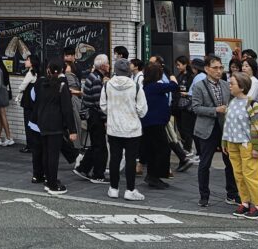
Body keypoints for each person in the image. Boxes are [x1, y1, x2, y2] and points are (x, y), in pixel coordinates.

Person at [192, 54, 240, 207]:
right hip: (207, 129)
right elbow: (195, 108)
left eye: (220, 67)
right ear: (207, 69)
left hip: (225, 129)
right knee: (205, 164)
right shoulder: (199, 85)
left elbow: (232, 103)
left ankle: (232, 194)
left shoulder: (226, 85)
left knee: (230, 162)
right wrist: (215, 110)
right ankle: (204, 196)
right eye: (215, 68)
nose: (219, 71)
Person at [100, 58, 148, 200]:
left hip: (114, 128)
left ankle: (113, 189)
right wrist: (134, 114)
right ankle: (130, 190)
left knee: (114, 158)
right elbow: (143, 109)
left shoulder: (107, 85)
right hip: (132, 129)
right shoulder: (135, 86)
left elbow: (103, 106)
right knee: (130, 160)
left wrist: (113, 113)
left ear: (115, 70)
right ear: (128, 71)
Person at [30, 61, 77, 195]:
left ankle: (48, 180)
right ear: (62, 70)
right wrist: (72, 130)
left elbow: (37, 102)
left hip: (42, 123)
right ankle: (52, 184)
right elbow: (67, 110)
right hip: (55, 124)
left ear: (48, 70)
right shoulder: (62, 86)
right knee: (53, 155)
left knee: (46, 153)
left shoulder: (43, 84)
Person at [222, 70, 258, 218]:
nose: (229, 86)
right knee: (238, 174)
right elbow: (227, 124)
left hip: (247, 144)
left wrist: (257, 148)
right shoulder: (232, 102)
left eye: (232, 83)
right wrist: (224, 142)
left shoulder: (252, 104)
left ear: (242, 86)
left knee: (251, 175)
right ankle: (245, 203)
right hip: (233, 143)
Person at [140, 61, 180, 190]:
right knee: (162, 150)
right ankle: (155, 176)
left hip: (150, 123)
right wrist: (171, 74)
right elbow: (174, 86)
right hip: (155, 123)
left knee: (153, 150)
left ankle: (152, 176)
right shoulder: (155, 87)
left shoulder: (147, 86)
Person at [74, 54, 110, 184]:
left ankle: (83, 168)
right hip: (95, 116)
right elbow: (98, 102)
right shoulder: (96, 79)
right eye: (108, 63)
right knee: (100, 147)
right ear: (103, 66)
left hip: (91, 115)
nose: (109, 65)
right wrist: (105, 119)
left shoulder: (93, 76)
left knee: (96, 144)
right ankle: (98, 175)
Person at [173, 56, 197, 153]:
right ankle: (185, 148)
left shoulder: (191, 76)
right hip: (179, 105)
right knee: (180, 129)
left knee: (186, 129)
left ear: (185, 64)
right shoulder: (180, 75)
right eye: (177, 65)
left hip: (187, 106)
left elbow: (191, 91)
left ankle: (188, 149)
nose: (177, 67)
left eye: (179, 65)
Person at [0, 52, 15, 146]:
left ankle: (9, 137)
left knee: (2, 115)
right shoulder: (3, 68)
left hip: (0, 94)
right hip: (3, 93)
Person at [18, 54, 40, 153]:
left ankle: (29, 145)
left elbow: (22, 86)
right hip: (34, 101)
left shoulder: (30, 73)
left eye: (27, 60)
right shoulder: (38, 72)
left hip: (28, 101)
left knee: (28, 123)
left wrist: (19, 89)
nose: (25, 61)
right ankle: (34, 144)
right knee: (33, 123)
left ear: (32, 62)